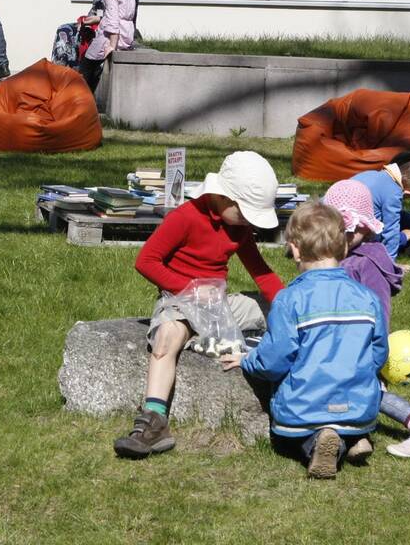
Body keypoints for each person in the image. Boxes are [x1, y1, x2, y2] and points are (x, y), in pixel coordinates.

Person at [113, 151, 286, 459]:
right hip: (179, 302)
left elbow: (261, 272)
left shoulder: (239, 228)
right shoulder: (185, 217)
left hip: (218, 305)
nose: (249, 222)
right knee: (166, 339)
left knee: (271, 308)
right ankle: (153, 422)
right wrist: (188, 289)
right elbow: (146, 261)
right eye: (246, 212)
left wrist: (291, 306)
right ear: (224, 198)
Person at [221, 201, 388, 479]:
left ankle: (321, 446)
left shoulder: (290, 300)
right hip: (358, 406)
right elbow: (379, 352)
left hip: (305, 408)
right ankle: (351, 437)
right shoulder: (367, 298)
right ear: (344, 247)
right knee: (347, 420)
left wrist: (248, 359)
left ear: (295, 249)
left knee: (292, 437)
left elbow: (275, 359)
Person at [322, 179, 410, 458]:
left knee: (373, 394)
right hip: (342, 345)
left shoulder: (367, 263)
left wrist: (371, 355)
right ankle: (357, 438)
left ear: (365, 227)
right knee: (355, 396)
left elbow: (379, 312)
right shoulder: (347, 257)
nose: (339, 239)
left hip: (363, 348)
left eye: (348, 232)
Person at [76, 0, 135, 93]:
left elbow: (113, 23)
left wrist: (112, 46)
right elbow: (121, 15)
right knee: (93, 67)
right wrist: (98, 19)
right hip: (126, 35)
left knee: (86, 65)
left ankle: (81, 98)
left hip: (110, 37)